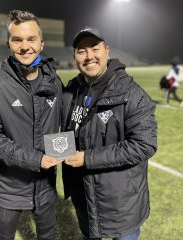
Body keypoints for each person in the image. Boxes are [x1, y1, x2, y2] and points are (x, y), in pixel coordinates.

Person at [0, 10, 63, 240]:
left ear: (41, 43)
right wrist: (37, 159)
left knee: (48, 236)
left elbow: (66, 123)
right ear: (9, 43)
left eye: (31, 39)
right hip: (7, 189)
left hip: (45, 186)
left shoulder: (54, 82)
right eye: (17, 39)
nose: (25, 46)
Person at [61, 27, 157, 240]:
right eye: (81, 51)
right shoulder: (71, 91)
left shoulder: (132, 94)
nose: (89, 56)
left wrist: (86, 158)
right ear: (75, 56)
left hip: (121, 205)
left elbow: (144, 144)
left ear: (106, 50)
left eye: (94, 48)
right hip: (84, 198)